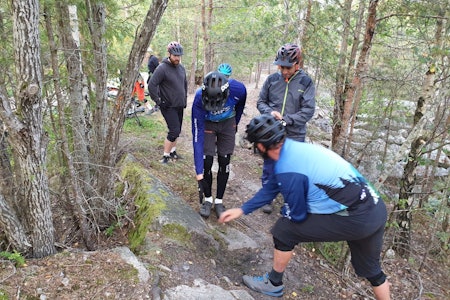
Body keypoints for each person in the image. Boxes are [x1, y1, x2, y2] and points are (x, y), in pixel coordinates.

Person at [218, 114, 391, 300]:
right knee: (373, 272)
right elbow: (272, 188)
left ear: (260, 146)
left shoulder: (288, 168)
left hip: (356, 217)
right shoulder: (294, 149)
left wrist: (288, 211)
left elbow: (298, 215)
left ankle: (274, 283)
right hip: (376, 208)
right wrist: (243, 209)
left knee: (284, 230)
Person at [257, 43, 316, 214]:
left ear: (298, 64)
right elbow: (261, 102)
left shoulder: (306, 82)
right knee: (270, 165)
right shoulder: (272, 80)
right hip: (272, 131)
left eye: (287, 67)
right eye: (281, 66)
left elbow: (308, 110)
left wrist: (287, 120)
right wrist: (270, 113)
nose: (283, 71)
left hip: (295, 133)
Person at [192, 70, 247, 218]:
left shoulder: (238, 89)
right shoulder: (198, 99)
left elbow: (241, 105)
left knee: (224, 160)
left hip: (228, 122)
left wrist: (235, 124)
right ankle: (208, 199)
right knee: (206, 162)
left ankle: (219, 201)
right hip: (208, 124)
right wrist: (199, 172)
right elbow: (197, 136)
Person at [148, 41, 187, 164]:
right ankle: (165, 156)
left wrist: (184, 99)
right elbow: (152, 85)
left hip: (179, 104)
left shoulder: (181, 68)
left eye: (179, 56)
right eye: (175, 55)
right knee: (174, 130)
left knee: (178, 130)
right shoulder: (162, 68)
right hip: (168, 105)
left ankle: (173, 152)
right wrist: (159, 101)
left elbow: (184, 84)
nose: (177, 58)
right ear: (169, 54)